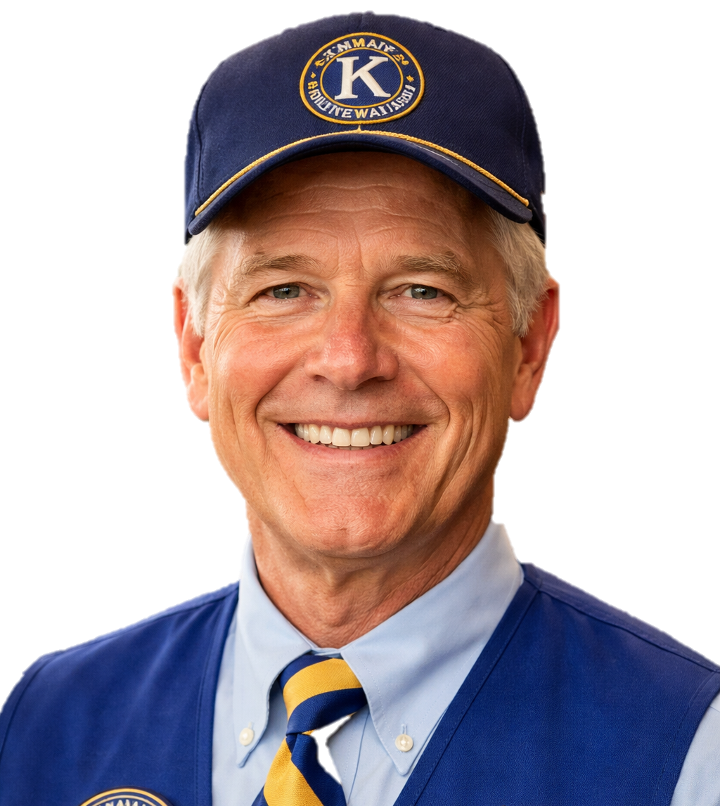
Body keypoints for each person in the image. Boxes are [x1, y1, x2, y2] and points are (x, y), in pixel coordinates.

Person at [1, 12, 718, 806]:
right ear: (195, 352)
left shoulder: (692, 751)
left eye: (422, 290)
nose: (349, 360)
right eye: (283, 291)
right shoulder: (37, 729)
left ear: (528, 348)